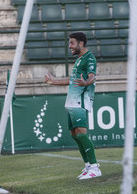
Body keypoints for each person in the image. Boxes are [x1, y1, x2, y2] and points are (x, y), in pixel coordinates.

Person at [44, 32, 102, 180]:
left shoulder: (89, 58)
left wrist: (87, 82)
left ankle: (95, 168)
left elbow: (92, 75)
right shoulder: (79, 59)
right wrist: (53, 81)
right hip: (72, 100)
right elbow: (72, 79)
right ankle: (88, 165)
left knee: (81, 132)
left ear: (81, 43)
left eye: (72, 43)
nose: (69, 46)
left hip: (80, 100)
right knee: (74, 134)